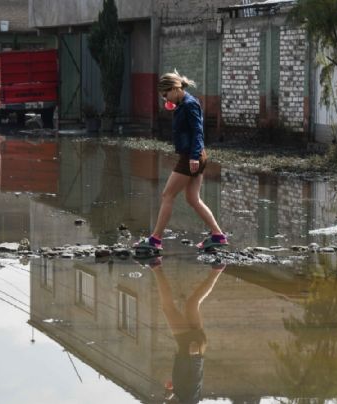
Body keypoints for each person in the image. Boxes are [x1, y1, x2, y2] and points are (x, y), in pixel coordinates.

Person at [135, 70, 227, 252]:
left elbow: (198, 131)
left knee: (167, 195)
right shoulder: (184, 102)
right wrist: (175, 106)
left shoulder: (190, 104)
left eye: (166, 94)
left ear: (175, 89)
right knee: (193, 199)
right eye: (163, 96)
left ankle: (155, 240)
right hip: (196, 155)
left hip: (191, 156)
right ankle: (218, 235)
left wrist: (193, 156)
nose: (165, 99)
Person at [149, 257, 225, 403]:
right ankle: (156, 267)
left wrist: (170, 392)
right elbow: (195, 381)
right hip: (189, 348)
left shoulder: (184, 400)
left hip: (195, 345)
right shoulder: (190, 401)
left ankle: (217, 269)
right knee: (168, 308)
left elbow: (183, 387)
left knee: (192, 303)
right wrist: (195, 356)